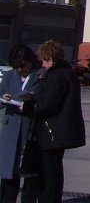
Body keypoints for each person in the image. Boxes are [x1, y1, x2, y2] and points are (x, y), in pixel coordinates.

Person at [26, 40, 86, 203]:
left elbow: (49, 103)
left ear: (51, 59)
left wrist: (27, 106)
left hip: (53, 130)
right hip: (61, 131)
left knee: (49, 171)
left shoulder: (56, 75)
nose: (43, 64)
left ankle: (48, 199)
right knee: (55, 168)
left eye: (44, 60)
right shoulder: (67, 73)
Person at [0, 45, 43, 203]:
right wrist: (4, 98)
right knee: (8, 168)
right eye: (16, 66)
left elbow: (44, 99)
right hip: (11, 126)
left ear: (30, 61)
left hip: (29, 126)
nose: (20, 69)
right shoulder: (9, 75)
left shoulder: (39, 75)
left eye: (23, 65)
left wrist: (30, 102)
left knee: (30, 169)